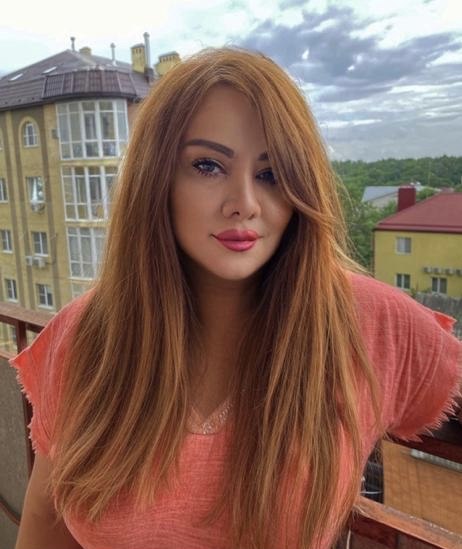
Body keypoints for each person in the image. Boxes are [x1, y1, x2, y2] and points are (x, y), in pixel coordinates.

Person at [11, 47, 462, 549]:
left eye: (271, 174)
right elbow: (46, 514)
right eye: (208, 165)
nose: (244, 204)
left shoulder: (364, 321)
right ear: (156, 178)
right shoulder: (85, 333)